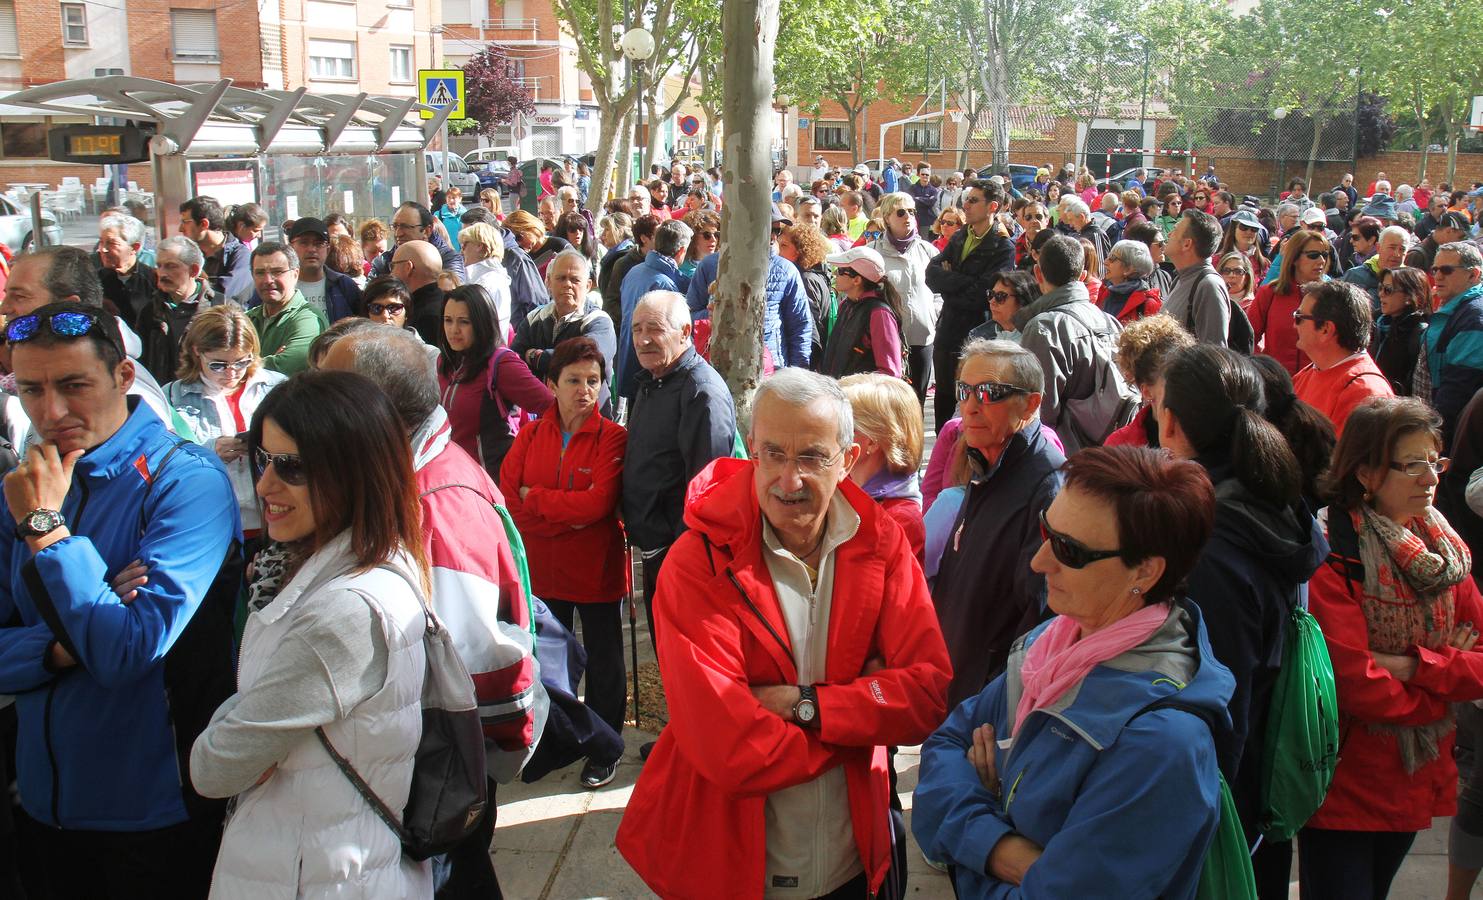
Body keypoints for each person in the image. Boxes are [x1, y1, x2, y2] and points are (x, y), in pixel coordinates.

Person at [615, 368, 952, 898]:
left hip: (856, 858)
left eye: (812, 457)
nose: (787, 480)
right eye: (772, 453)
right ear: (751, 449)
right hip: (741, 866)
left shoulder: (881, 544)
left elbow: (927, 693)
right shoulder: (697, 563)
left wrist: (807, 706)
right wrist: (858, 723)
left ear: (848, 459)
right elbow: (730, 747)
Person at [914, 445, 1234, 899]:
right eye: (1046, 530)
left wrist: (968, 843)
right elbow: (943, 746)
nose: (1039, 561)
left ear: (1145, 571)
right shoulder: (1053, 642)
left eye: (1069, 549)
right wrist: (1007, 850)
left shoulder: (1161, 744)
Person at [0, 301, 239, 896]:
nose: (50, 411)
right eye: (30, 390)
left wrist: (50, 533)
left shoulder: (185, 481)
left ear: (124, 377)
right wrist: (60, 649)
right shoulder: (27, 483)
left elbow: (127, 652)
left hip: (153, 811)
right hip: (42, 803)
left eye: (73, 385)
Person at [318, 322, 547, 897]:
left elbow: (477, 664)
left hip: (435, 775)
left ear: (372, 412)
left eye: (325, 394)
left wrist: (476, 772)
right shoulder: (404, 481)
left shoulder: (435, 506)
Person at [191, 370, 433, 899]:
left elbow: (213, 767)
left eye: (293, 467)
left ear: (354, 473)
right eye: (264, 459)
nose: (265, 485)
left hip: (316, 875)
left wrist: (236, 724)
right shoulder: (365, 559)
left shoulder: (341, 612)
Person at [1155, 344, 1325, 895]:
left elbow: (1223, 692)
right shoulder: (1268, 498)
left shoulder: (1213, 536)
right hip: (1259, 773)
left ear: (1172, 421)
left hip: (1226, 796)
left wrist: (1214, 817)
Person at [1301, 398, 1483, 900]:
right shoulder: (1336, 556)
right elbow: (1357, 685)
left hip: (1412, 775)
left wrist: (1414, 666)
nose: (1430, 478)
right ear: (1366, 472)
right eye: (1413, 464)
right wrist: (1446, 681)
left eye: (1435, 461)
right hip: (1345, 785)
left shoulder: (1443, 554)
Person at [500, 336, 627, 788]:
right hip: (544, 569)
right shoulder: (531, 434)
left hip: (595, 569)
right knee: (550, 660)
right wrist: (562, 515)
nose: (584, 390)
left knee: (604, 662)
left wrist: (539, 503)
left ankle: (605, 744)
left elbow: (597, 505)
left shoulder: (613, 438)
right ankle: (557, 738)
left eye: (593, 380)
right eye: (573, 379)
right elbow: (509, 501)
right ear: (551, 384)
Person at [930, 339, 1064, 707]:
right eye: (964, 391)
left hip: (989, 704)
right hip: (956, 685)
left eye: (989, 393)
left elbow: (1041, 618)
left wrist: (991, 706)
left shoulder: (1046, 484)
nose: (970, 407)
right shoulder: (987, 463)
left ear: (1031, 403)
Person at [620, 291, 735, 672]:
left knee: (688, 662)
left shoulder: (700, 392)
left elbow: (707, 489)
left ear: (685, 331)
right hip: (654, 550)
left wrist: (679, 556)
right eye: (637, 329)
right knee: (670, 657)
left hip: (679, 557)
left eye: (655, 329)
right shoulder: (653, 380)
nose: (643, 339)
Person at [163, 303, 286, 538]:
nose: (231, 373)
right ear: (196, 352)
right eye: (218, 365)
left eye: (241, 362)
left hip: (269, 519)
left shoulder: (276, 387)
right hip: (208, 521)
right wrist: (209, 450)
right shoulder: (172, 396)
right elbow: (161, 459)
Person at [1016, 234, 1138, 454]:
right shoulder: (1109, 320)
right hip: (1111, 445)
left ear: (1037, 273)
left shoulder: (1044, 327)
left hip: (1063, 453)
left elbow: (1039, 409)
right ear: (1082, 275)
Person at [438, 284, 553, 479]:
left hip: (495, 484)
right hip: (456, 478)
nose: (454, 330)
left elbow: (552, 407)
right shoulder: (445, 361)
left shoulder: (502, 363)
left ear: (481, 323)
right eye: (448, 320)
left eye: (464, 322)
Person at [926, 179, 1015, 431]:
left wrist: (950, 283)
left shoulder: (1002, 246)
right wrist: (961, 283)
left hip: (978, 333)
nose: (966, 204)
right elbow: (931, 274)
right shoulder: (960, 236)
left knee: (973, 400)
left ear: (992, 206)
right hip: (947, 331)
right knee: (944, 396)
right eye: (966, 199)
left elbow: (983, 294)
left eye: (974, 200)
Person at [839, 372, 926, 564]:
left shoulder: (900, 520)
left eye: (842, 427)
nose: (829, 434)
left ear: (872, 442)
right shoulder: (843, 490)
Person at [512, 250, 617, 408]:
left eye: (575, 280)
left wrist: (536, 357)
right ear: (548, 282)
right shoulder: (534, 318)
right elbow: (515, 362)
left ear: (588, 285)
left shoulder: (599, 321)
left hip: (589, 417)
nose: (567, 284)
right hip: (544, 415)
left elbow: (586, 359)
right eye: (561, 278)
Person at [1293, 281, 1394, 437]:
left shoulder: (1364, 393)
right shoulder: (1308, 373)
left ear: (1326, 329)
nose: (1294, 325)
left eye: (1299, 317)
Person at [868, 192, 938, 406]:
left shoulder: (928, 250)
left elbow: (941, 289)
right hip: (888, 340)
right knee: (889, 403)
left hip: (921, 336)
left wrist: (934, 312)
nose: (908, 216)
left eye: (912, 211)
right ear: (887, 217)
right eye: (901, 212)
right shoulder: (873, 253)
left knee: (916, 402)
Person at [618, 219, 692, 400]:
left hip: (632, 359)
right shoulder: (665, 283)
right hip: (652, 368)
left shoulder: (635, 271)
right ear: (681, 251)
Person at [1421, 242, 1483, 445]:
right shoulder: (1456, 307)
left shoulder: (1474, 318)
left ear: (1473, 275)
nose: (1438, 276)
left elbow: (1459, 388)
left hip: (1454, 433)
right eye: (1435, 269)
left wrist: (1435, 439)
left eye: (1447, 270)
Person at [136, 235, 218, 383]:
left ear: (193, 270)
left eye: (170, 266)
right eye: (159, 266)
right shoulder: (151, 312)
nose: (162, 273)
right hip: (163, 397)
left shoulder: (219, 309)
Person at [1106, 313, 1195, 448]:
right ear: (1147, 391)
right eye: (1175, 380)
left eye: (1191, 374)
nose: (1187, 386)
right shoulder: (1120, 446)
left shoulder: (1210, 430)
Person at [1251, 228, 1332, 374]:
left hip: (1317, 386)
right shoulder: (1269, 293)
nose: (1321, 261)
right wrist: (1262, 367)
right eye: (1313, 255)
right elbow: (1248, 338)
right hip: (1275, 384)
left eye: (1324, 254)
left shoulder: (1332, 297)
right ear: (1294, 258)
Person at [818, 246, 906, 379]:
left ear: (857, 280)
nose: (835, 274)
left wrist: (857, 390)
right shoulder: (846, 305)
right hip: (839, 393)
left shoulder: (879, 313)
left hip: (862, 397)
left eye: (841, 271)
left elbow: (890, 372)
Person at [246, 241, 329, 376]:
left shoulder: (309, 319)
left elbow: (288, 366)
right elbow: (220, 359)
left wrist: (240, 362)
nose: (268, 280)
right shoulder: (247, 319)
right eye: (260, 273)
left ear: (295, 274)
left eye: (277, 272)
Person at [1164, 208, 1234, 346]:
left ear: (1187, 244)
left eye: (1175, 230)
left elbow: (1214, 351)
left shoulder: (1209, 285)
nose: (1169, 234)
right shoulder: (1180, 278)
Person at [283, 217, 361, 322]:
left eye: (318, 243)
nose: (311, 249)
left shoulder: (343, 285)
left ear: (327, 249)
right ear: (291, 247)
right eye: (304, 242)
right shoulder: (278, 285)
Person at [369, 201, 467, 282]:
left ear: (427, 231)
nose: (398, 233)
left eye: (405, 227)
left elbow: (454, 296)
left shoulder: (448, 260)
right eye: (395, 226)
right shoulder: (383, 263)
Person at [777, 223, 834, 363]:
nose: (778, 251)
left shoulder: (806, 280)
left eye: (784, 246)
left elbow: (809, 331)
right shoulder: (816, 275)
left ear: (800, 250)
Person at [1371, 265, 1430, 396]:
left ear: (1410, 297)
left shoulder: (1419, 332)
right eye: (1380, 288)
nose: (1380, 294)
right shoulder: (1376, 322)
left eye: (1388, 290)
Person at [178, 195, 251, 299]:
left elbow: (224, 297)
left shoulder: (240, 255)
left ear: (204, 224)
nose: (180, 229)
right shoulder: (188, 254)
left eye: (185, 222)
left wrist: (199, 277)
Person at [97, 212, 155, 324]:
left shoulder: (153, 280)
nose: (103, 249)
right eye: (102, 242)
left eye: (111, 243)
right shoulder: (95, 281)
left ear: (134, 247)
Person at [390, 239, 449, 344]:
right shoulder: (446, 304)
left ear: (408, 267)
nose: (391, 273)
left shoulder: (425, 316)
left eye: (393, 266)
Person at [457, 221, 514, 329]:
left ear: (479, 245)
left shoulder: (487, 282)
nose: (461, 250)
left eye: (465, 244)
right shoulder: (492, 277)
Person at [1098, 238, 1163, 324]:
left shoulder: (1148, 304)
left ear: (1128, 269)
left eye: (1112, 258)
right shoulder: (1105, 293)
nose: (1105, 262)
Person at [1218, 250, 1257, 317]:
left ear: (1247, 278)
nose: (1231, 275)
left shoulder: (1253, 306)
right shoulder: (1211, 299)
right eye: (1226, 271)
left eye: (1238, 271)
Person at [435, 185, 467, 250]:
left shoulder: (467, 215)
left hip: (463, 252)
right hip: (447, 252)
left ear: (460, 199)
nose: (451, 200)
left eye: (454, 197)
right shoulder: (438, 215)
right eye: (449, 197)